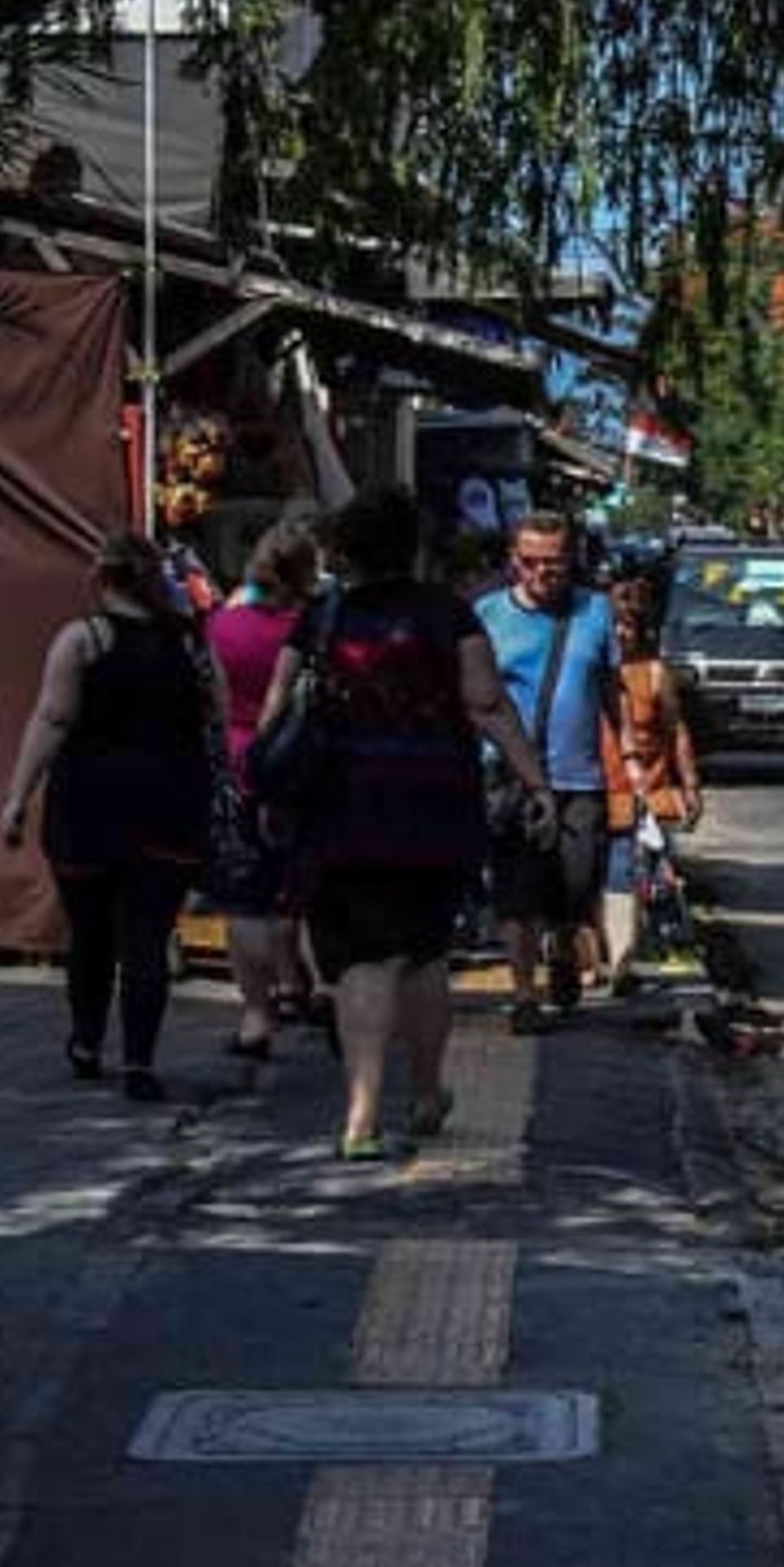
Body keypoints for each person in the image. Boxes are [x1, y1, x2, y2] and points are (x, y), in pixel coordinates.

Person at [264, 487, 554, 1159]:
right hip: (433, 805)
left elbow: (280, 707)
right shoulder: (447, 615)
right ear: (413, 546)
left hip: (341, 809)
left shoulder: (322, 618)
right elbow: (487, 703)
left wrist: (270, 783)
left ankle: (360, 1114)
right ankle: (425, 1091)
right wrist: (534, 782)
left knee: (362, 958)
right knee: (423, 953)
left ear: (345, 549)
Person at [0, 534, 221, 1103]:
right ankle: (140, 1061)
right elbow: (217, 713)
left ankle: (88, 1040)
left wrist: (18, 798)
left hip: (89, 804)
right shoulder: (191, 642)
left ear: (101, 579)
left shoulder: (83, 639)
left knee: (90, 930)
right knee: (146, 935)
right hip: (170, 803)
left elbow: (50, 720)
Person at [475, 512, 624, 1032]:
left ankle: (563, 943)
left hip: (578, 778)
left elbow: (612, 693)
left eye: (553, 563)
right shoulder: (488, 615)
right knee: (516, 893)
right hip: (509, 777)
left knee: (576, 884)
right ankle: (523, 995)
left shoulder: (596, 613)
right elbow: (473, 698)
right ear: (514, 561)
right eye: (530, 562)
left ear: (571, 562)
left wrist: (628, 762)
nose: (542, 573)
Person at [205, 519, 326, 1060]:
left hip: (243, 764)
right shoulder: (318, 626)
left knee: (244, 898)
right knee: (308, 885)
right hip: (308, 767)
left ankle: (257, 1017)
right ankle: (318, 985)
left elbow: (211, 700)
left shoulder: (225, 628)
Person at [598, 564, 703, 996]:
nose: (623, 636)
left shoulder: (655, 674)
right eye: (616, 627)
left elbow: (676, 730)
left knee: (631, 878)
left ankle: (626, 962)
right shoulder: (589, 672)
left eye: (630, 628)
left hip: (646, 799)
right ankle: (599, 959)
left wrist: (690, 784)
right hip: (594, 794)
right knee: (595, 881)